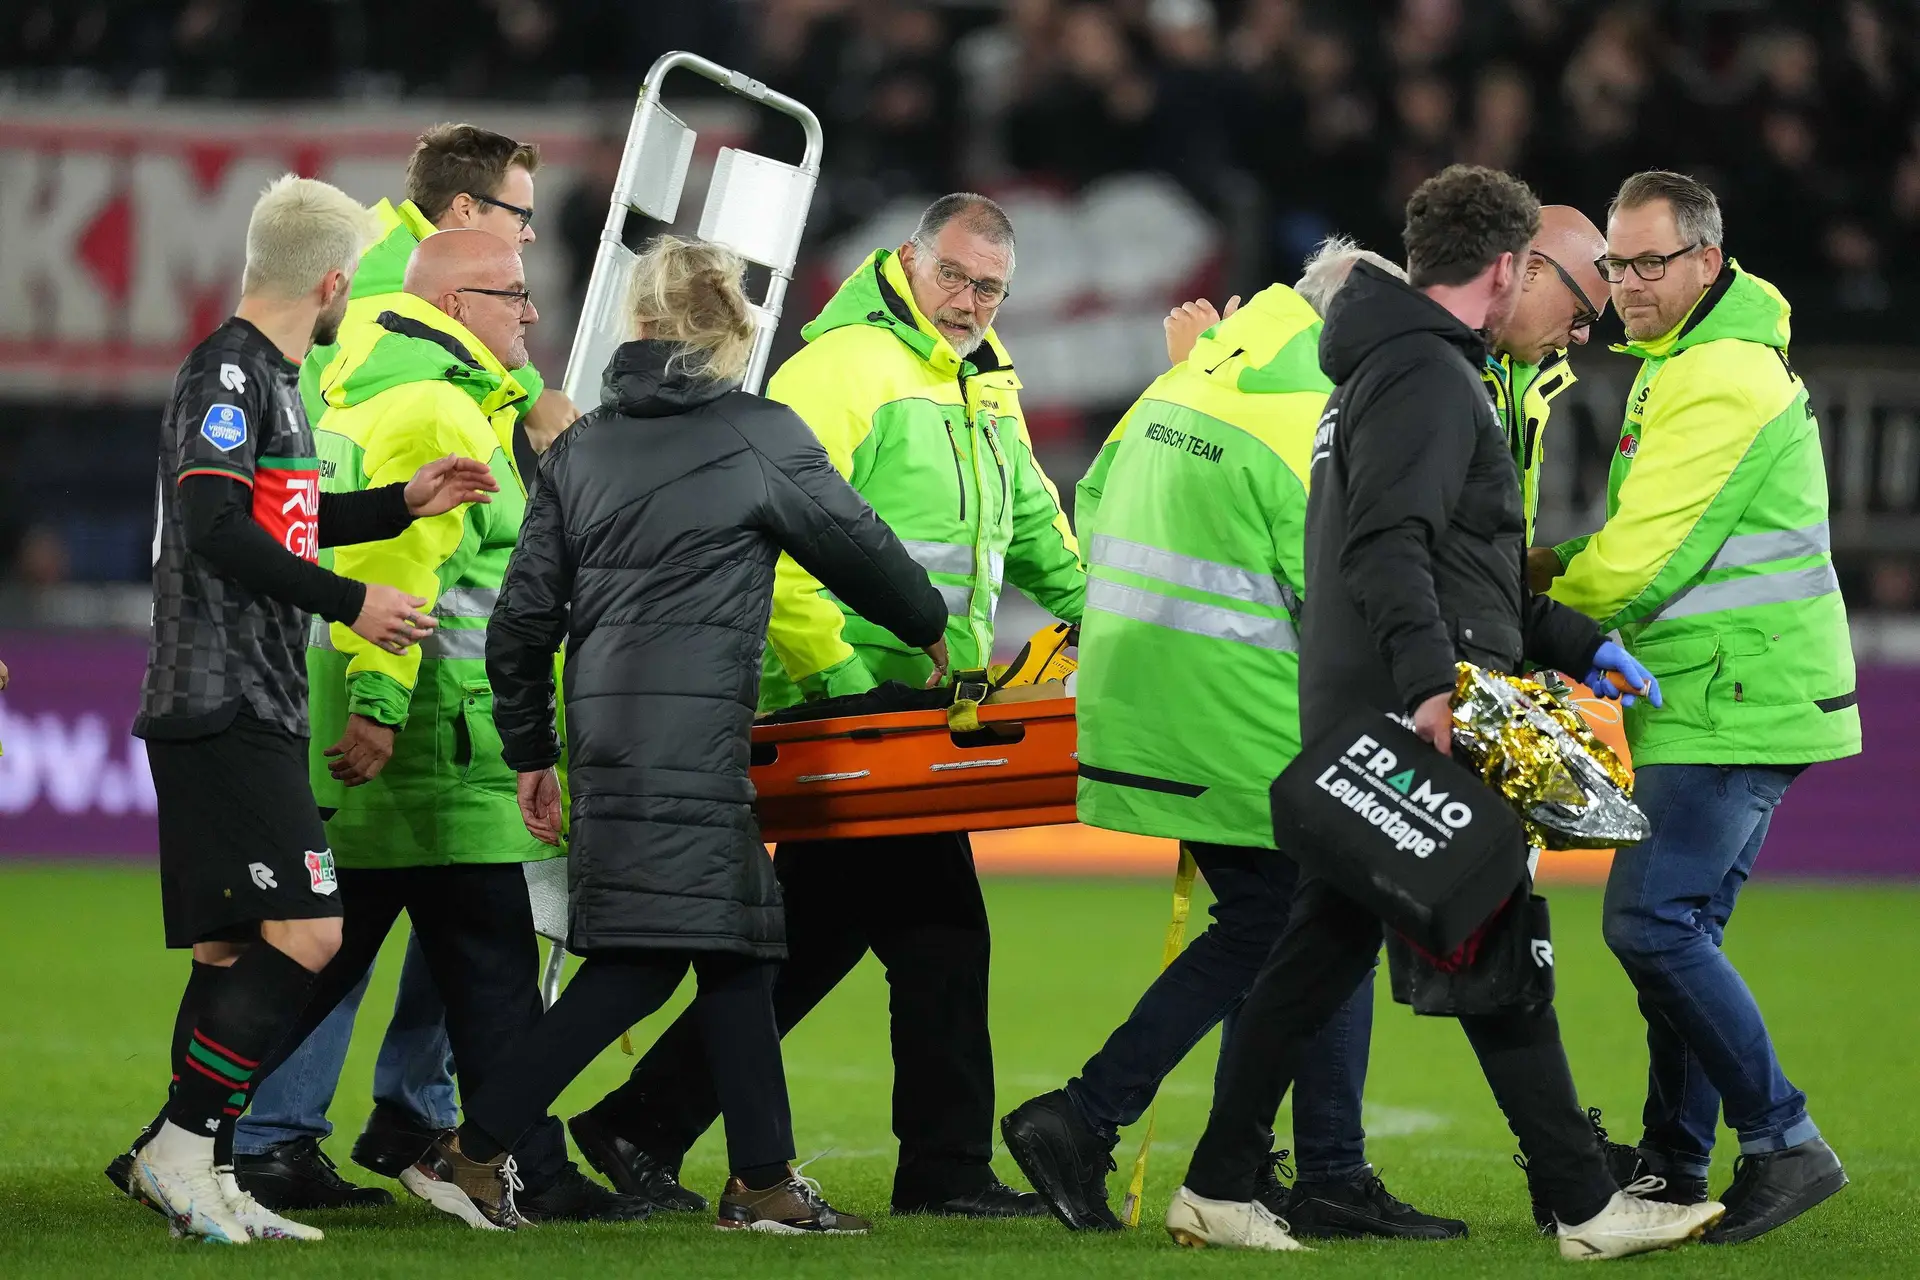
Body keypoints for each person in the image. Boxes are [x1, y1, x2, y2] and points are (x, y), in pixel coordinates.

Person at [1163, 165, 1723, 1261]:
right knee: (1494, 937)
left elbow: (1460, 562)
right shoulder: (1427, 371)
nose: (1573, 336)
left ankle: (1221, 1182)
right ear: (1511, 266)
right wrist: (1434, 690)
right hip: (1414, 713)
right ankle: (1584, 1202)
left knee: (1318, 952)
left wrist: (1571, 639)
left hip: (1371, 701)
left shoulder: (1387, 364)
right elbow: (1390, 547)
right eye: (1575, 301)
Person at [566, 193, 1083, 1219]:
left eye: (990, 287)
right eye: (955, 276)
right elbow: (781, 544)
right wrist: (843, 682)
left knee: (817, 934)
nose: (970, 300)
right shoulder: (842, 370)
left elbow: (1031, 525)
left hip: (913, 704)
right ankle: (939, 1169)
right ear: (908, 259)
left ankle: (643, 1120)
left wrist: (1103, 611)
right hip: (849, 700)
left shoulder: (983, 381)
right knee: (936, 932)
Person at [427, 235, 951, 1232]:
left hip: (610, 740)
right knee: (649, 956)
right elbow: (860, 549)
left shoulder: (579, 446)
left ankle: (760, 1181)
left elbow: (520, 621)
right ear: (734, 329)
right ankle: (475, 1148)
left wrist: (532, 749)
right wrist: (928, 628)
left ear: (641, 324)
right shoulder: (757, 434)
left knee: (726, 949)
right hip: (695, 745)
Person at [999, 239, 1463, 1242]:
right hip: (1243, 714)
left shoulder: (1185, 381)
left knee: (1319, 918)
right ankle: (1087, 1116)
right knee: (1285, 922)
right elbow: (1342, 596)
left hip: (1140, 699)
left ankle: (1318, 1167)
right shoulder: (1313, 420)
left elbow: (1094, 503)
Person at [238, 228, 647, 1228]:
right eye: (513, 294)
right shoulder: (435, 408)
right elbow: (405, 573)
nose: (532, 313)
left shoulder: (381, 389)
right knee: (469, 973)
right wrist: (381, 709)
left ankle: (195, 1129)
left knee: (386, 965)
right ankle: (190, 1129)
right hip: (430, 744)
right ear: (458, 301)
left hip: (420, 744)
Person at [121, 175, 501, 1244]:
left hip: (254, 699)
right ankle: (183, 1146)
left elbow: (276, 516)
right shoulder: (230, 372)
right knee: (311, 928)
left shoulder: (277, 379)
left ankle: (211, 1163)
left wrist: (396, 504)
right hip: (220, 694)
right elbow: (214, 525)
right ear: (334, 281)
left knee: (234, 950)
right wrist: (357, 599)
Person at [1539, 170, 1858, 1245]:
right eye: (1618, 263)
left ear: (1708, 261)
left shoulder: (1718, 373)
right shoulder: (1695, 361)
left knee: (1650, 922)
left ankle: (1785, 1139)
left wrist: (1529, 610)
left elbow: (1650, 552)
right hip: (1733, 683)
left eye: (1650, 262)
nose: (1626, 282)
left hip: (1736, 689)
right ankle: (1677, 1162)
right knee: (1681, 926)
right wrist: (1552, 571)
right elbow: (1658, 538)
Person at [1485, 206, 1609, 544]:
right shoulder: (1428, 362)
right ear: (1531, 271)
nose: (1582, 336)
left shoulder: (1518, 381)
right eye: (1581, 314)